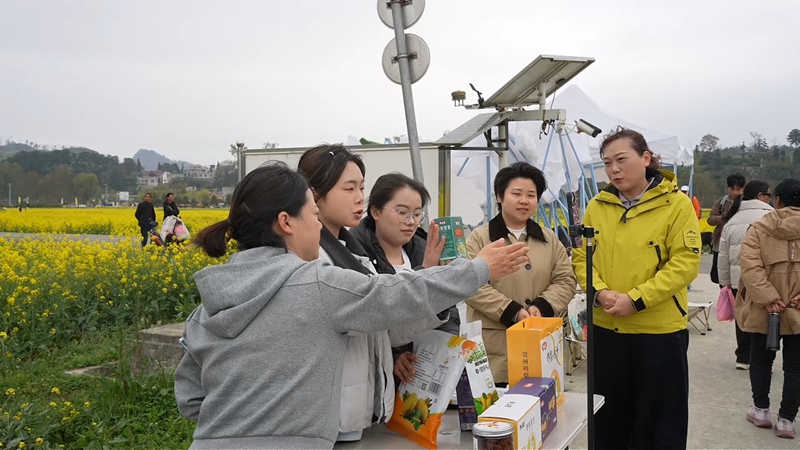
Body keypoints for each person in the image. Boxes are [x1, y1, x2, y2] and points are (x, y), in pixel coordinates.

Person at [173, 163, 529, 449]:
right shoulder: (317, 283)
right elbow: (399, 294)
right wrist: (478, 269)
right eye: (313, 216)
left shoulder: (210, 302)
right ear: (286, 223)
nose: (318, 226)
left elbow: (190, 397)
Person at [297, 145, 451, 442]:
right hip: (329, 419)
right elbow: (367, 320)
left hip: (358, 413)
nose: (359, 198)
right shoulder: (314, 257)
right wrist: (436, 285)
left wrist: (438, 295)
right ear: (315, 194)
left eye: (361, 187)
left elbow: (382, 330)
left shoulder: (352, 252)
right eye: (349, 188)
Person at [571, 127, 702, 449]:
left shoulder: (676, 205)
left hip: (658, 333)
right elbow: (580, 256)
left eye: (621, 160)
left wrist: (637, 300)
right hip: (606, 330)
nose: (613, 169)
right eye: (606, 163)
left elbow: (685, 263)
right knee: (608, 418)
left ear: (645, 159)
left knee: (659, 421)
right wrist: (599, 292)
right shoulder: (597, 206)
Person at [464, 162, 577, 386]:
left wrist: (542, 306)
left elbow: (565, 279)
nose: (524, 201)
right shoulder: (478, 238)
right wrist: (512, 311)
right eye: (516, 194)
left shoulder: (549, 238)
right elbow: (471, 285)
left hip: (540, 343)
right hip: (494, 345)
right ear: (499, 196)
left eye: (531, 195)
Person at [351, 173, 459, 387]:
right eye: (402, 213)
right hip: (377, 382)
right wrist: (392, 356)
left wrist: (447, 351)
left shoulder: (422, 247)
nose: (411, 222)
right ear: (375, 212)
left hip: (428, 374)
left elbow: (449, 311)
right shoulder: (355, 253)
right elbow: (371, 318)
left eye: (417, 214)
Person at [737, 178, 800, 439]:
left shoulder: (759, 228)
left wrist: (769, 298)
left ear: (777, 201)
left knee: (761, 360)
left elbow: (750, 267)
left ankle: (761, 410)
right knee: (796, 367)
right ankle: (786, 420)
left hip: (766, 309)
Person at [718, 180, 773, 371]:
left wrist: (724, 282)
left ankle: (742, 356)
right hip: (765, 279)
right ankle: (762, 357)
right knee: (765, 317)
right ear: (760, 196)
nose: (770, 198)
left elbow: (723, 256)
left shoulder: (732, 220)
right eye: (768, 194)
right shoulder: (772, 217)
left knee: (742, 316)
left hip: (737, 279)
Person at [708, 173, 746, 284]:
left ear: (743, 189)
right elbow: (710, 220)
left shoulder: (746, 203)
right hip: (720, 243)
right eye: (732, 189)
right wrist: (723, 217)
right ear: (727, 188)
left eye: (738, 189)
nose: (734, 192)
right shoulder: (721, 202)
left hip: (739, 242)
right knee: (718, 276)